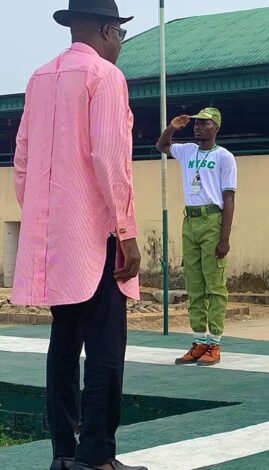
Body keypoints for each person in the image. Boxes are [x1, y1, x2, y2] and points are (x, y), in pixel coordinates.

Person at [12, 1, 146, 469]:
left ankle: (64, 455)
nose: (120, 44)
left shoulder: (39, 78)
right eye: (121, 35)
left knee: (64, 344)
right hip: (97, 234)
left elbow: (23, 160)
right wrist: (126, 231)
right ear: (108, 31)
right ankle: (97, 457)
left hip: (55, 239)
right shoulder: (105, 76)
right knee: (106, 347)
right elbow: (109, 157)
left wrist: (41, 221)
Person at [157, 107, 237, 367]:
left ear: (216, 128)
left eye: (204, 123)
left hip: (212, 219)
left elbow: (229, 198)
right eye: (196, 124)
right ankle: (199, 340)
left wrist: (224, 237)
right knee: (194, 284)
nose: (198, 127)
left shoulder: (224, 157)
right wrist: (172, 127)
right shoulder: (188, 151)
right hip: (190, 220)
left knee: (214, 284)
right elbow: (162, 146)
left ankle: (214, 342)